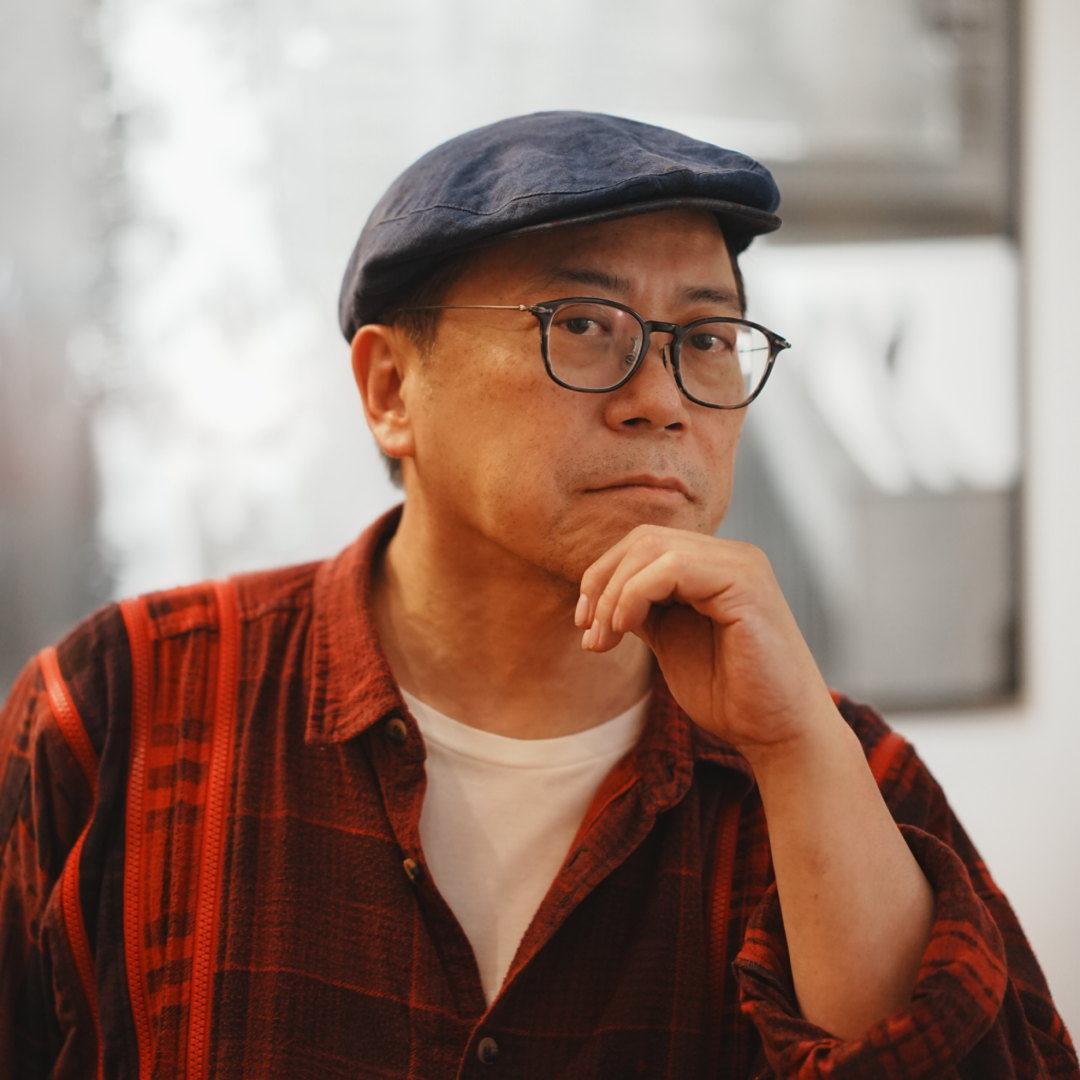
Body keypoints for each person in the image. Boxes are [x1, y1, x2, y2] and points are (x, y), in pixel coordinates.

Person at [0, 111, 1075, 1080]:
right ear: (391, 390)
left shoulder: (836, 769)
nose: (661, 400)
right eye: (584, 325)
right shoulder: (122, 705)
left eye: (705, 340)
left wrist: (797, 755)